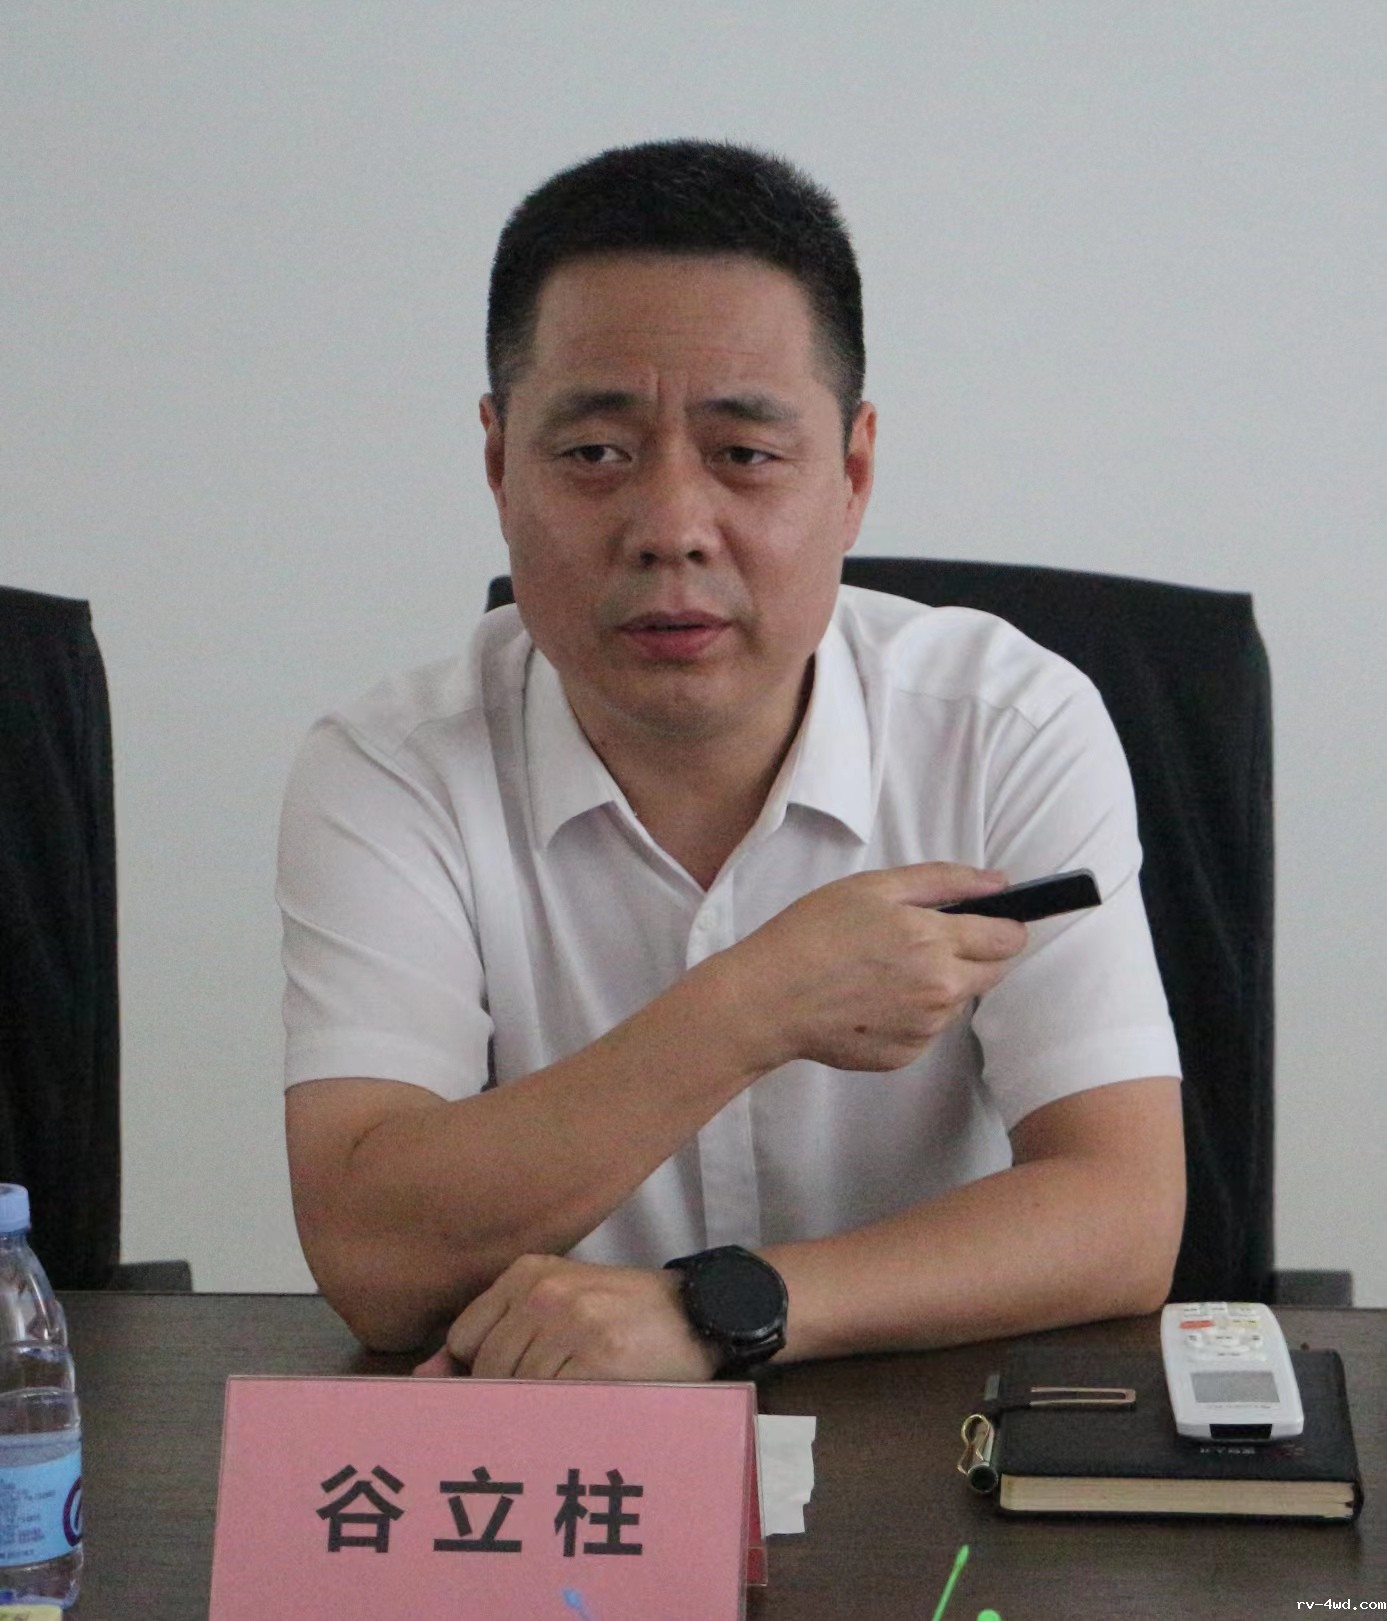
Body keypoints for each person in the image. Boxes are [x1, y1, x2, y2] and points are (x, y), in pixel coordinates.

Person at [278, 139, 1184, 1378]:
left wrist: (718, 1310)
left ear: (852, 472)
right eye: (594, 454)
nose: (671, 529)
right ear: (497, 464)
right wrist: (754, 1004)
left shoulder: (1007, 725)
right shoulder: (390, 771)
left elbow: (1122, 1211)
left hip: (928, 1437)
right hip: (547, 1455)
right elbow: (373, 1261)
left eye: (745, 455)